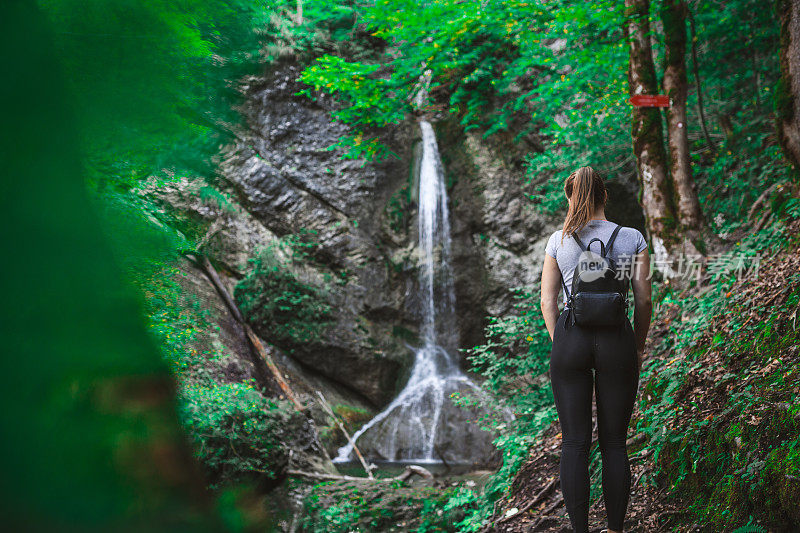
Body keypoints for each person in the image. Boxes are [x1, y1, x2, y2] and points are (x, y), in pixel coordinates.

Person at [539, 166, 652, 533]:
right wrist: (636, 347)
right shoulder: (632, 237)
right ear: (605, 195)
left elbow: (548, 302)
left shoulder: (559, 240)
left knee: (574, 442)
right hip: (617, 339)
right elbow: (644, 299)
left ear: (571, 197)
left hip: (571, 339)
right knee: (615, 443)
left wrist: (564, 343)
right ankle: (616, 530)